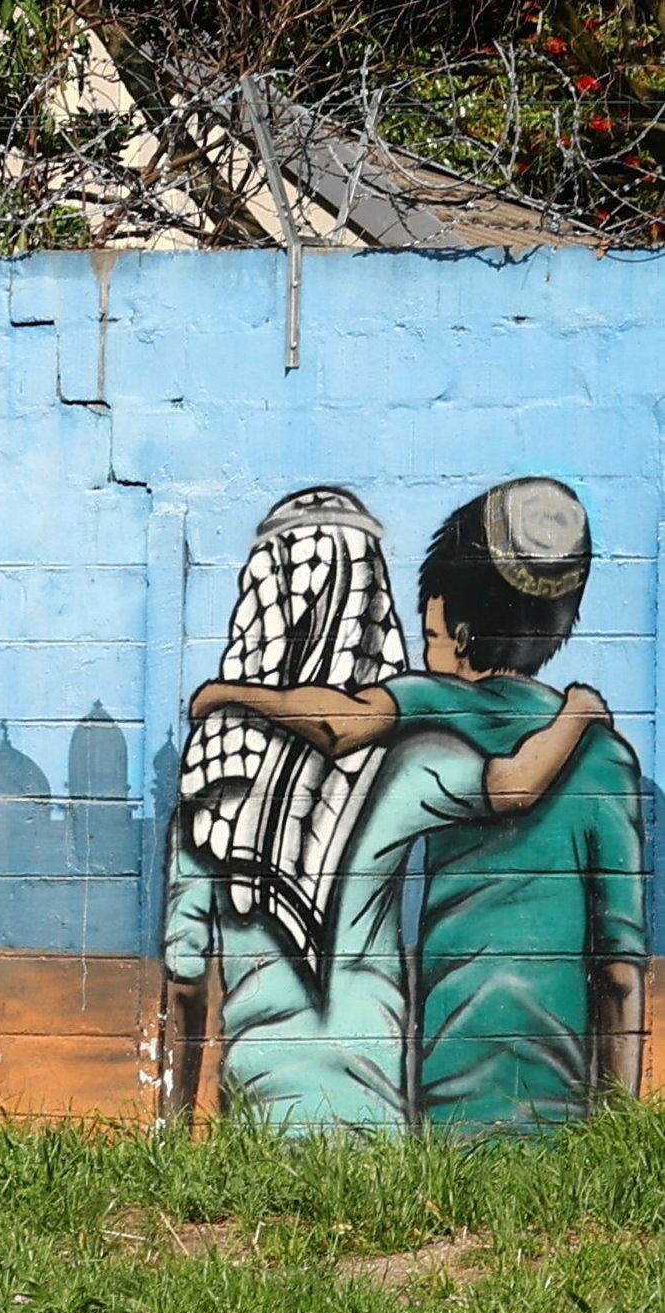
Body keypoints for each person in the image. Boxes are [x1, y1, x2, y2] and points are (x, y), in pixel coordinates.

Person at [184, 479, 644, 1131]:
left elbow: (337, 722)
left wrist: (237, 692)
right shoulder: (607, 761)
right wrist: (616, 1130)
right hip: (563, 1115)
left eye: (428, 632)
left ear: (456, 630)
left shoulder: (432, 708)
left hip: (446, 1103)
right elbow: (620, 977)